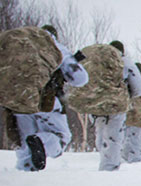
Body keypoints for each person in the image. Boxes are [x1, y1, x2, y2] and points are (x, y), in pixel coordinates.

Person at [12, 24, 88, 171]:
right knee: (61, 138)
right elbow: (80, 79)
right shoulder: (55, 47)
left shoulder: (19, 46)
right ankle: (42, 142)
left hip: (18, 102)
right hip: (45, 101)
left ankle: (24, 176)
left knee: (24, 144)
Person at [93, 40, 141, 171]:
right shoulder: (125, 62)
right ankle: (109, 168)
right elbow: (139, 88)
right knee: (113, 137)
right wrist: (127, 96)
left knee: (101, 133)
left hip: (97, 104)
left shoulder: (97, 61)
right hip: (116, 104)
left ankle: (103, 159)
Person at [121, 62, 141, 163]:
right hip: (139, 114)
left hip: (128, 113)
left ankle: (128, 159)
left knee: (126, 138)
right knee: (136, 138)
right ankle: (133, 159)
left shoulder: (128, 80)